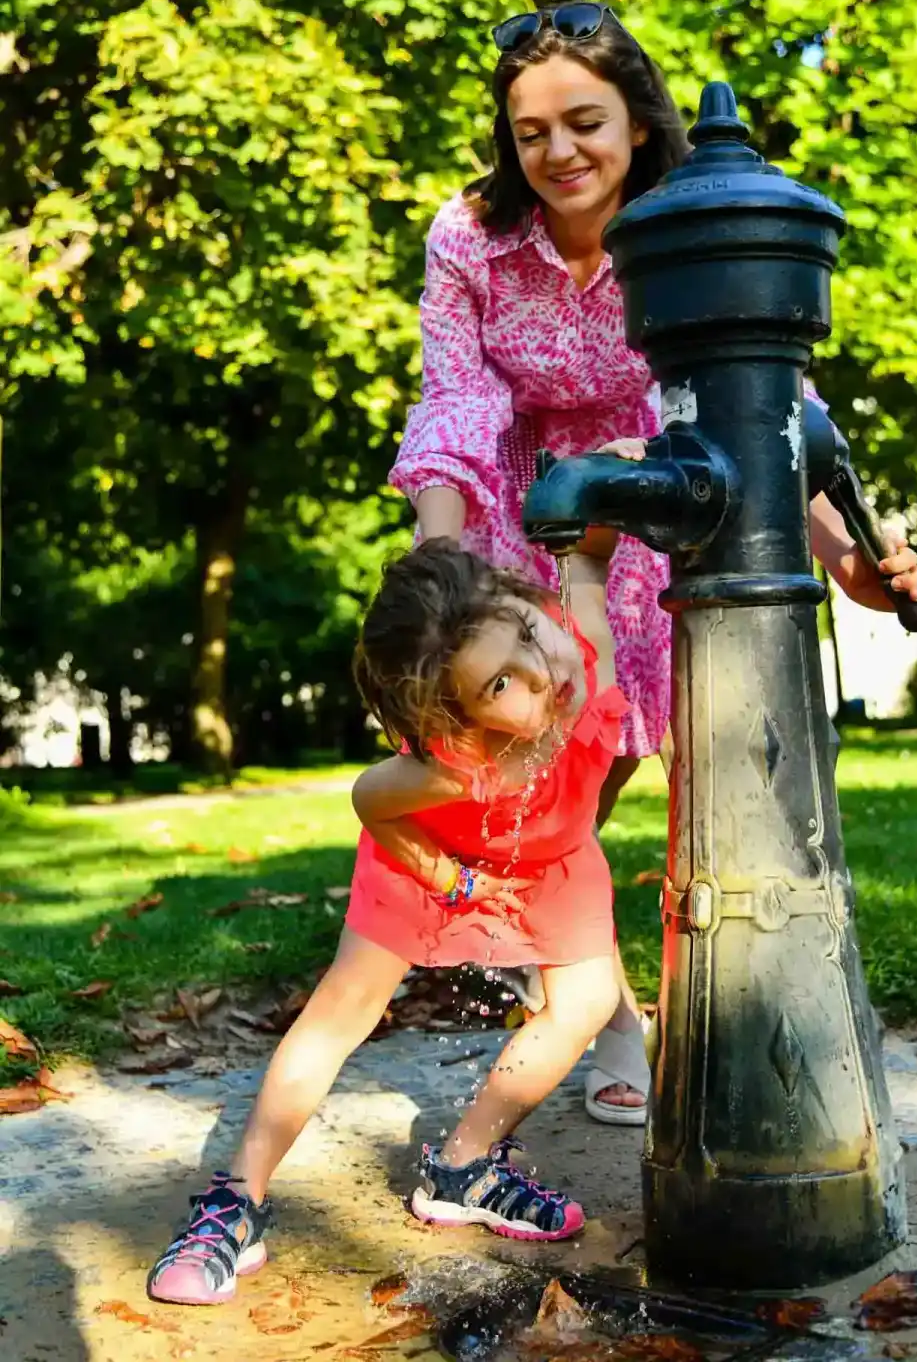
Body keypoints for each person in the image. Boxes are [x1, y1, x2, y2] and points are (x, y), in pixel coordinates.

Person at [388, 0, 917, 1125]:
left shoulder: (689, 224)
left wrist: (851, 560)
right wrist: (441, 580)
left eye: (583, 122)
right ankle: (607, 1012)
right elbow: (458, 403)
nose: (558, 153)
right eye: (530, 131)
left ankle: (708, 1005)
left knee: (683, 768)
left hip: (674, 499)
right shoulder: (473, 236)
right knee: (548, 784)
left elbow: (768, 412)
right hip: (533, 511)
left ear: (638, 119)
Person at [146, 482, 643, 1307]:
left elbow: (588, 561)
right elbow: (370, 803)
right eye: (499, 687)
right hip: (433, 859)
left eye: (528, 633)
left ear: (528, 601)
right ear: (453, 718)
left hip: (552, 859)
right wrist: (447, 877)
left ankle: (463, 1167)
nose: (540, 672)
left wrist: (610, 479)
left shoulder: (579, 661)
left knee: (587, 1000)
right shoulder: (446, 766)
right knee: (343, 1009)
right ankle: (235, 1202)